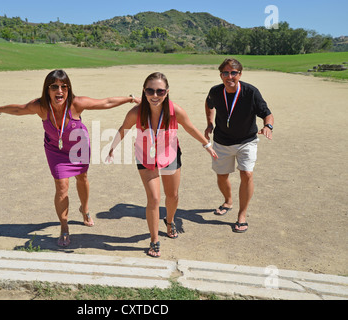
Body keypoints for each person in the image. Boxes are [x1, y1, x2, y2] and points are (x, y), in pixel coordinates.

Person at [0, 69, 140, 247]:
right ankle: (64, 227)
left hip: (78, 147)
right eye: (54, 87)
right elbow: (19, 109)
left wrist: (131, 99)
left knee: (82, 178)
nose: (60, 91)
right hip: (55, 149)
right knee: (61, 186)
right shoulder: (41, 106)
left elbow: (105, 102)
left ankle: (85, 209)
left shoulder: (76, 104)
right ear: (47, 89)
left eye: (64, 87)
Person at [107, 72, 218, 257]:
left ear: (166, 92)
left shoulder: (176, 111)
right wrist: (112, 148)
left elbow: (189, 127)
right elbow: (124, 128)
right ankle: (154, 239)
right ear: (144, 91)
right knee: (154, 199)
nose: (155, 95)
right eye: (150, 90)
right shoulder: (136, 112)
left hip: (170, 155)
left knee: (172, 196)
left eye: (160, 91)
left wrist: (206, 144)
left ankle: (170, 220)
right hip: (146, 157)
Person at [204, 58, 274, 233]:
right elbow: (209, 104)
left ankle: (242, 215)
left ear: (240, 74)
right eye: (226, 73)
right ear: (221, 75)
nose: (230, 76)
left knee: (247, 174)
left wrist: (268, 126)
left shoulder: (250, 92)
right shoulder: (215, 91)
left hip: (247, 141)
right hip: (222, 141)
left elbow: (267, 113)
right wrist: (209, 123)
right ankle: (228, 200)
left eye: (233, 72)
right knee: (222, 176)